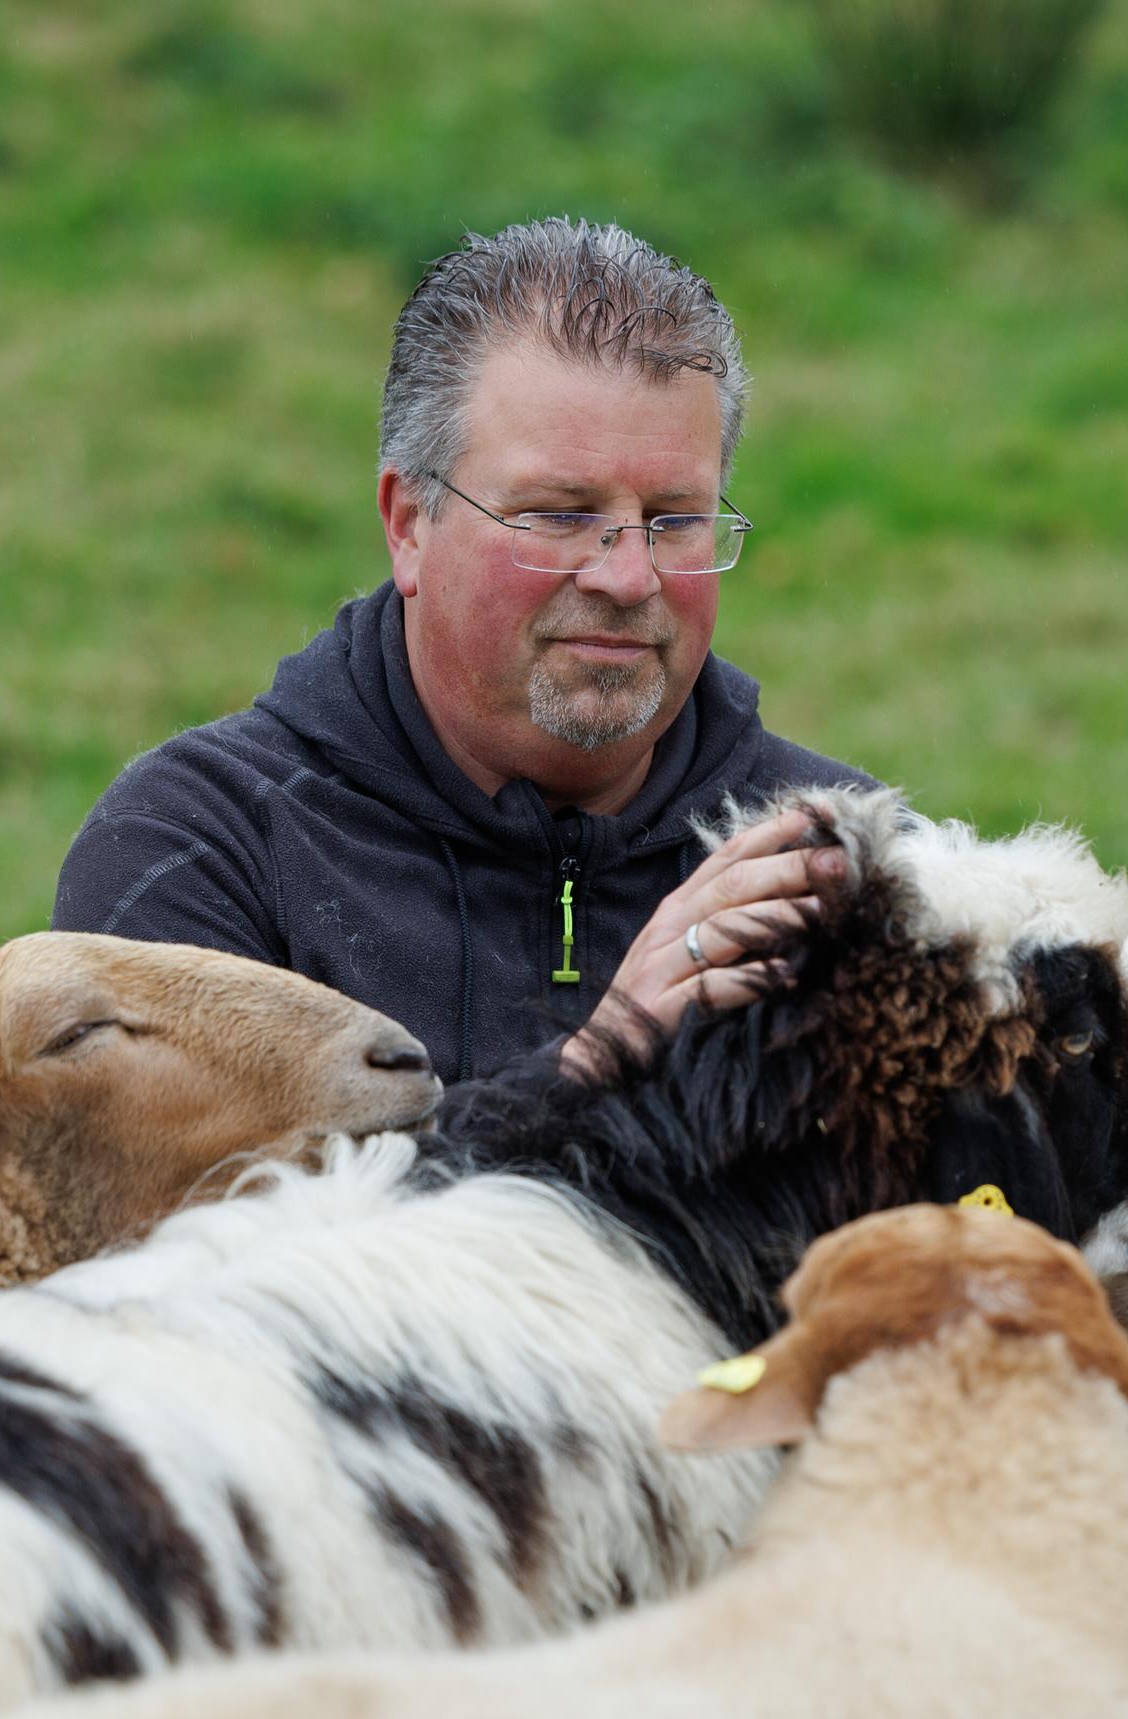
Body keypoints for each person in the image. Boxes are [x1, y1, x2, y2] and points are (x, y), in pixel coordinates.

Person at [53, 218, 871, 1086]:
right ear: (410, 524)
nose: (630, 577)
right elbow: (231, 1186)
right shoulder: (201, 854)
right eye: (560, 514)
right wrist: (600, 1075)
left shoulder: (845, 872)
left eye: (674, 520)